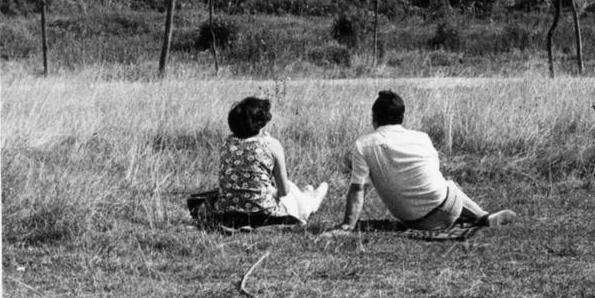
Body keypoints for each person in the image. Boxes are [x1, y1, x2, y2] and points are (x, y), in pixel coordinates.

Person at [336, 90, 515, 233]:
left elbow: (358, 190)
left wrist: (347, 226)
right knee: (448, 186)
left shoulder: (363, 144)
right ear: (402, 116)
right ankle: (483, 216)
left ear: (374, 117)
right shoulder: (422, 137)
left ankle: (481, 217)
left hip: (414, 221)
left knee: (443, 189)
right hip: (449, 208)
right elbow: (433, 172)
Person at [217, 96, 328, 224]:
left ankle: (307, 195)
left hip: (228, 213)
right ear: (261, 124)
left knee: (282, 189)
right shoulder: (271, 145)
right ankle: (312, 201)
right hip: (264, 214)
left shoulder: (227, 143)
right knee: (290, 189)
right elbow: (284, 191)